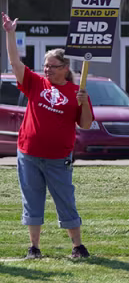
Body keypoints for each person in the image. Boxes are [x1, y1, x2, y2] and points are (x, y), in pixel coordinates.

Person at [3, 13, 94, 259]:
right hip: (29, 154)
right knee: (32, 201)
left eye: (52, 66)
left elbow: (85, 124)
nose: (47, 70)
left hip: (58, 158)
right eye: (45, 66)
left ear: (65, 69)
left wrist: (84, 103)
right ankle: (34, 247)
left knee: (65, 199)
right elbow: (15, 63)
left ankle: (77, 246)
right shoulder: (35, 83)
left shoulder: (77, 91)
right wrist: (10, 34)